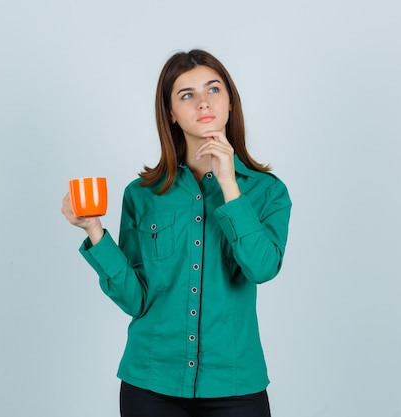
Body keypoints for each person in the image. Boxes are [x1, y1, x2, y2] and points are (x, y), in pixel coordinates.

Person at [61, 49, 292, 417]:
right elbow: (136, 300)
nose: (203, 102)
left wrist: (230, 185)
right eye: (187, 95)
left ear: (230, 101)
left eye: (213, 89)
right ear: (170, 113)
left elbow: (262, 268)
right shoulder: (142, 194)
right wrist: (93, 231)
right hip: (150, 384)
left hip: (234, 386)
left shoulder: (268, 192)